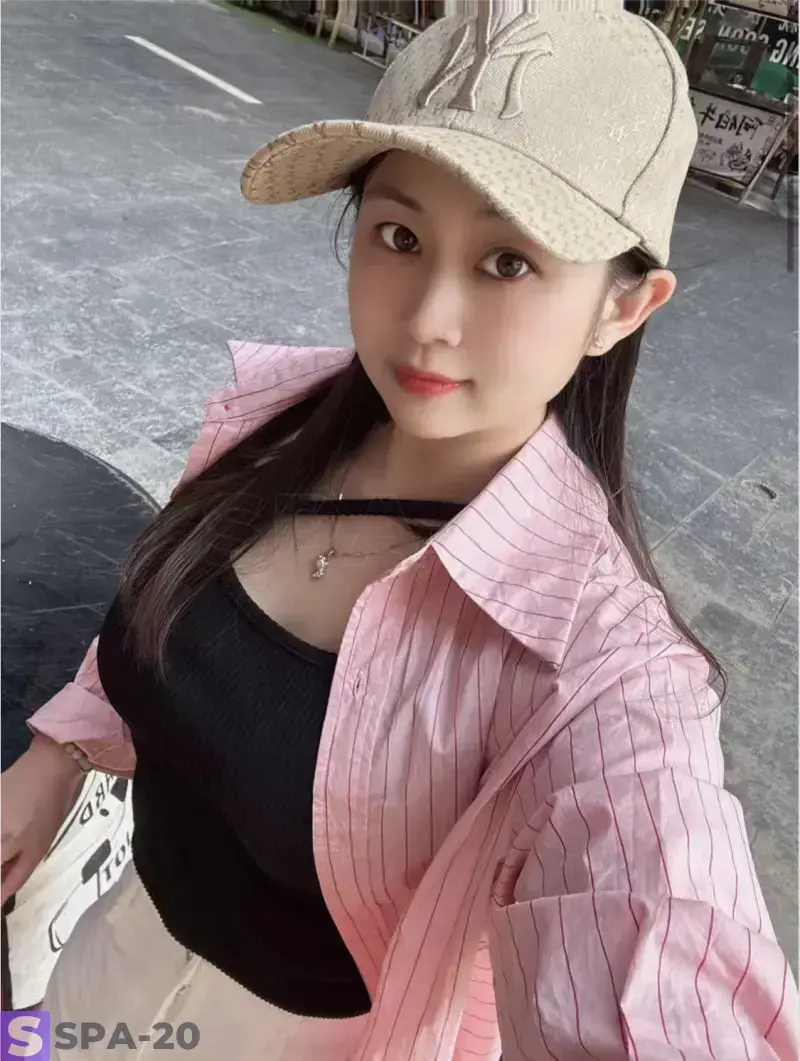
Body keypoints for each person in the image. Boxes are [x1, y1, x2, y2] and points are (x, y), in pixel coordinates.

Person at [2, 3, 797, 1059]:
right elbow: (154, 630)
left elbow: (657, 945)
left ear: (624, 306)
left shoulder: (601, 668)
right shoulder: (267, 425)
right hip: (115, 952)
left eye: (508, 262)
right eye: (400, 236)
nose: (426, 319)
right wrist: (56, 757)